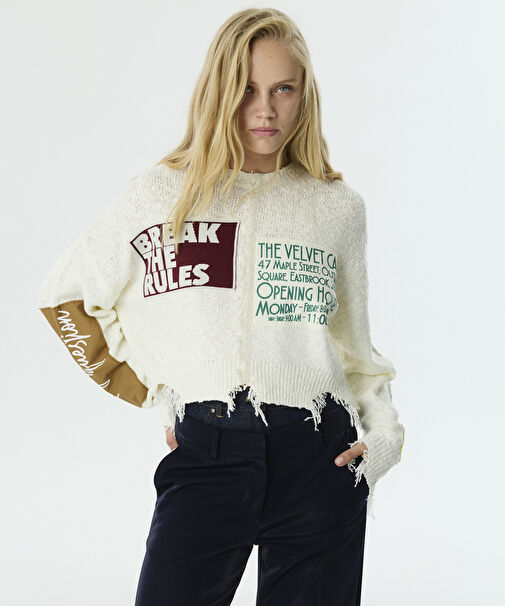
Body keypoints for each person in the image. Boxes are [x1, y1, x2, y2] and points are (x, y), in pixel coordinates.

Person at [36, 7, 405, 606]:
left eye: (283, 89)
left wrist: (384, 436)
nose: (265, 110)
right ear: (218, 92)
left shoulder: (337, 207)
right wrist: (153, 390)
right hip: (207, 456)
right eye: (247, 89)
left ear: (304, 95)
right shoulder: (162, 194)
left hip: (320, 461)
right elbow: (67, 298)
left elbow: (357, 350)